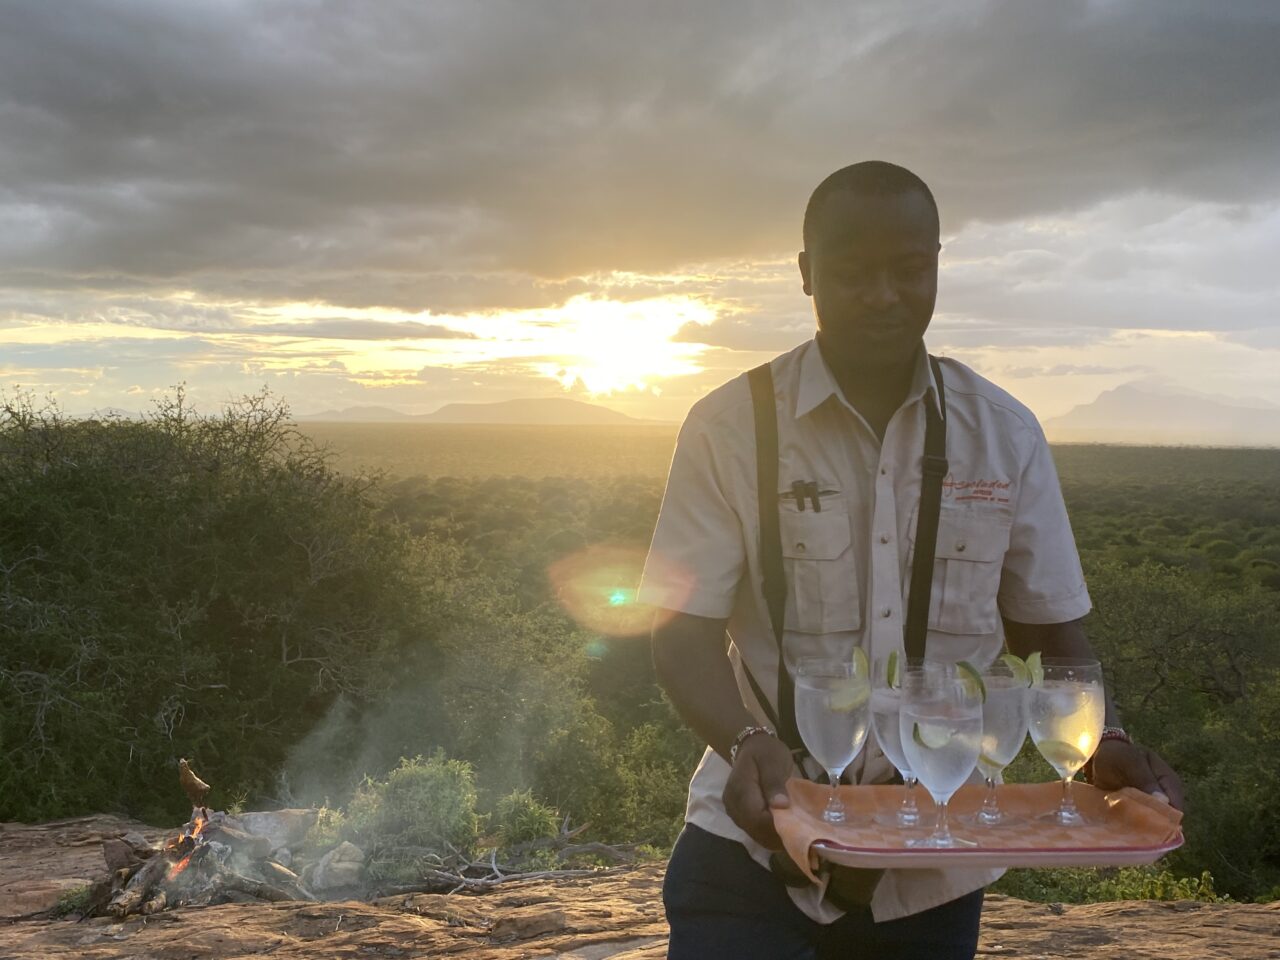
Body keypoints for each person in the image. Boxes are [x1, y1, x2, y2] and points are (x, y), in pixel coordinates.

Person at [637, 160, 1184, 960]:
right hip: (748, 858)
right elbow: (681, 635)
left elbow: (1051, 641)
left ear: (936, 265)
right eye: (853, 272)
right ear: (805, 274)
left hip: (934, 868)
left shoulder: (1004, 433)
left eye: (909, 269)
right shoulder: (728, 429)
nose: (884, 294)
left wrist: (1105, 743)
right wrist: (748, 738)